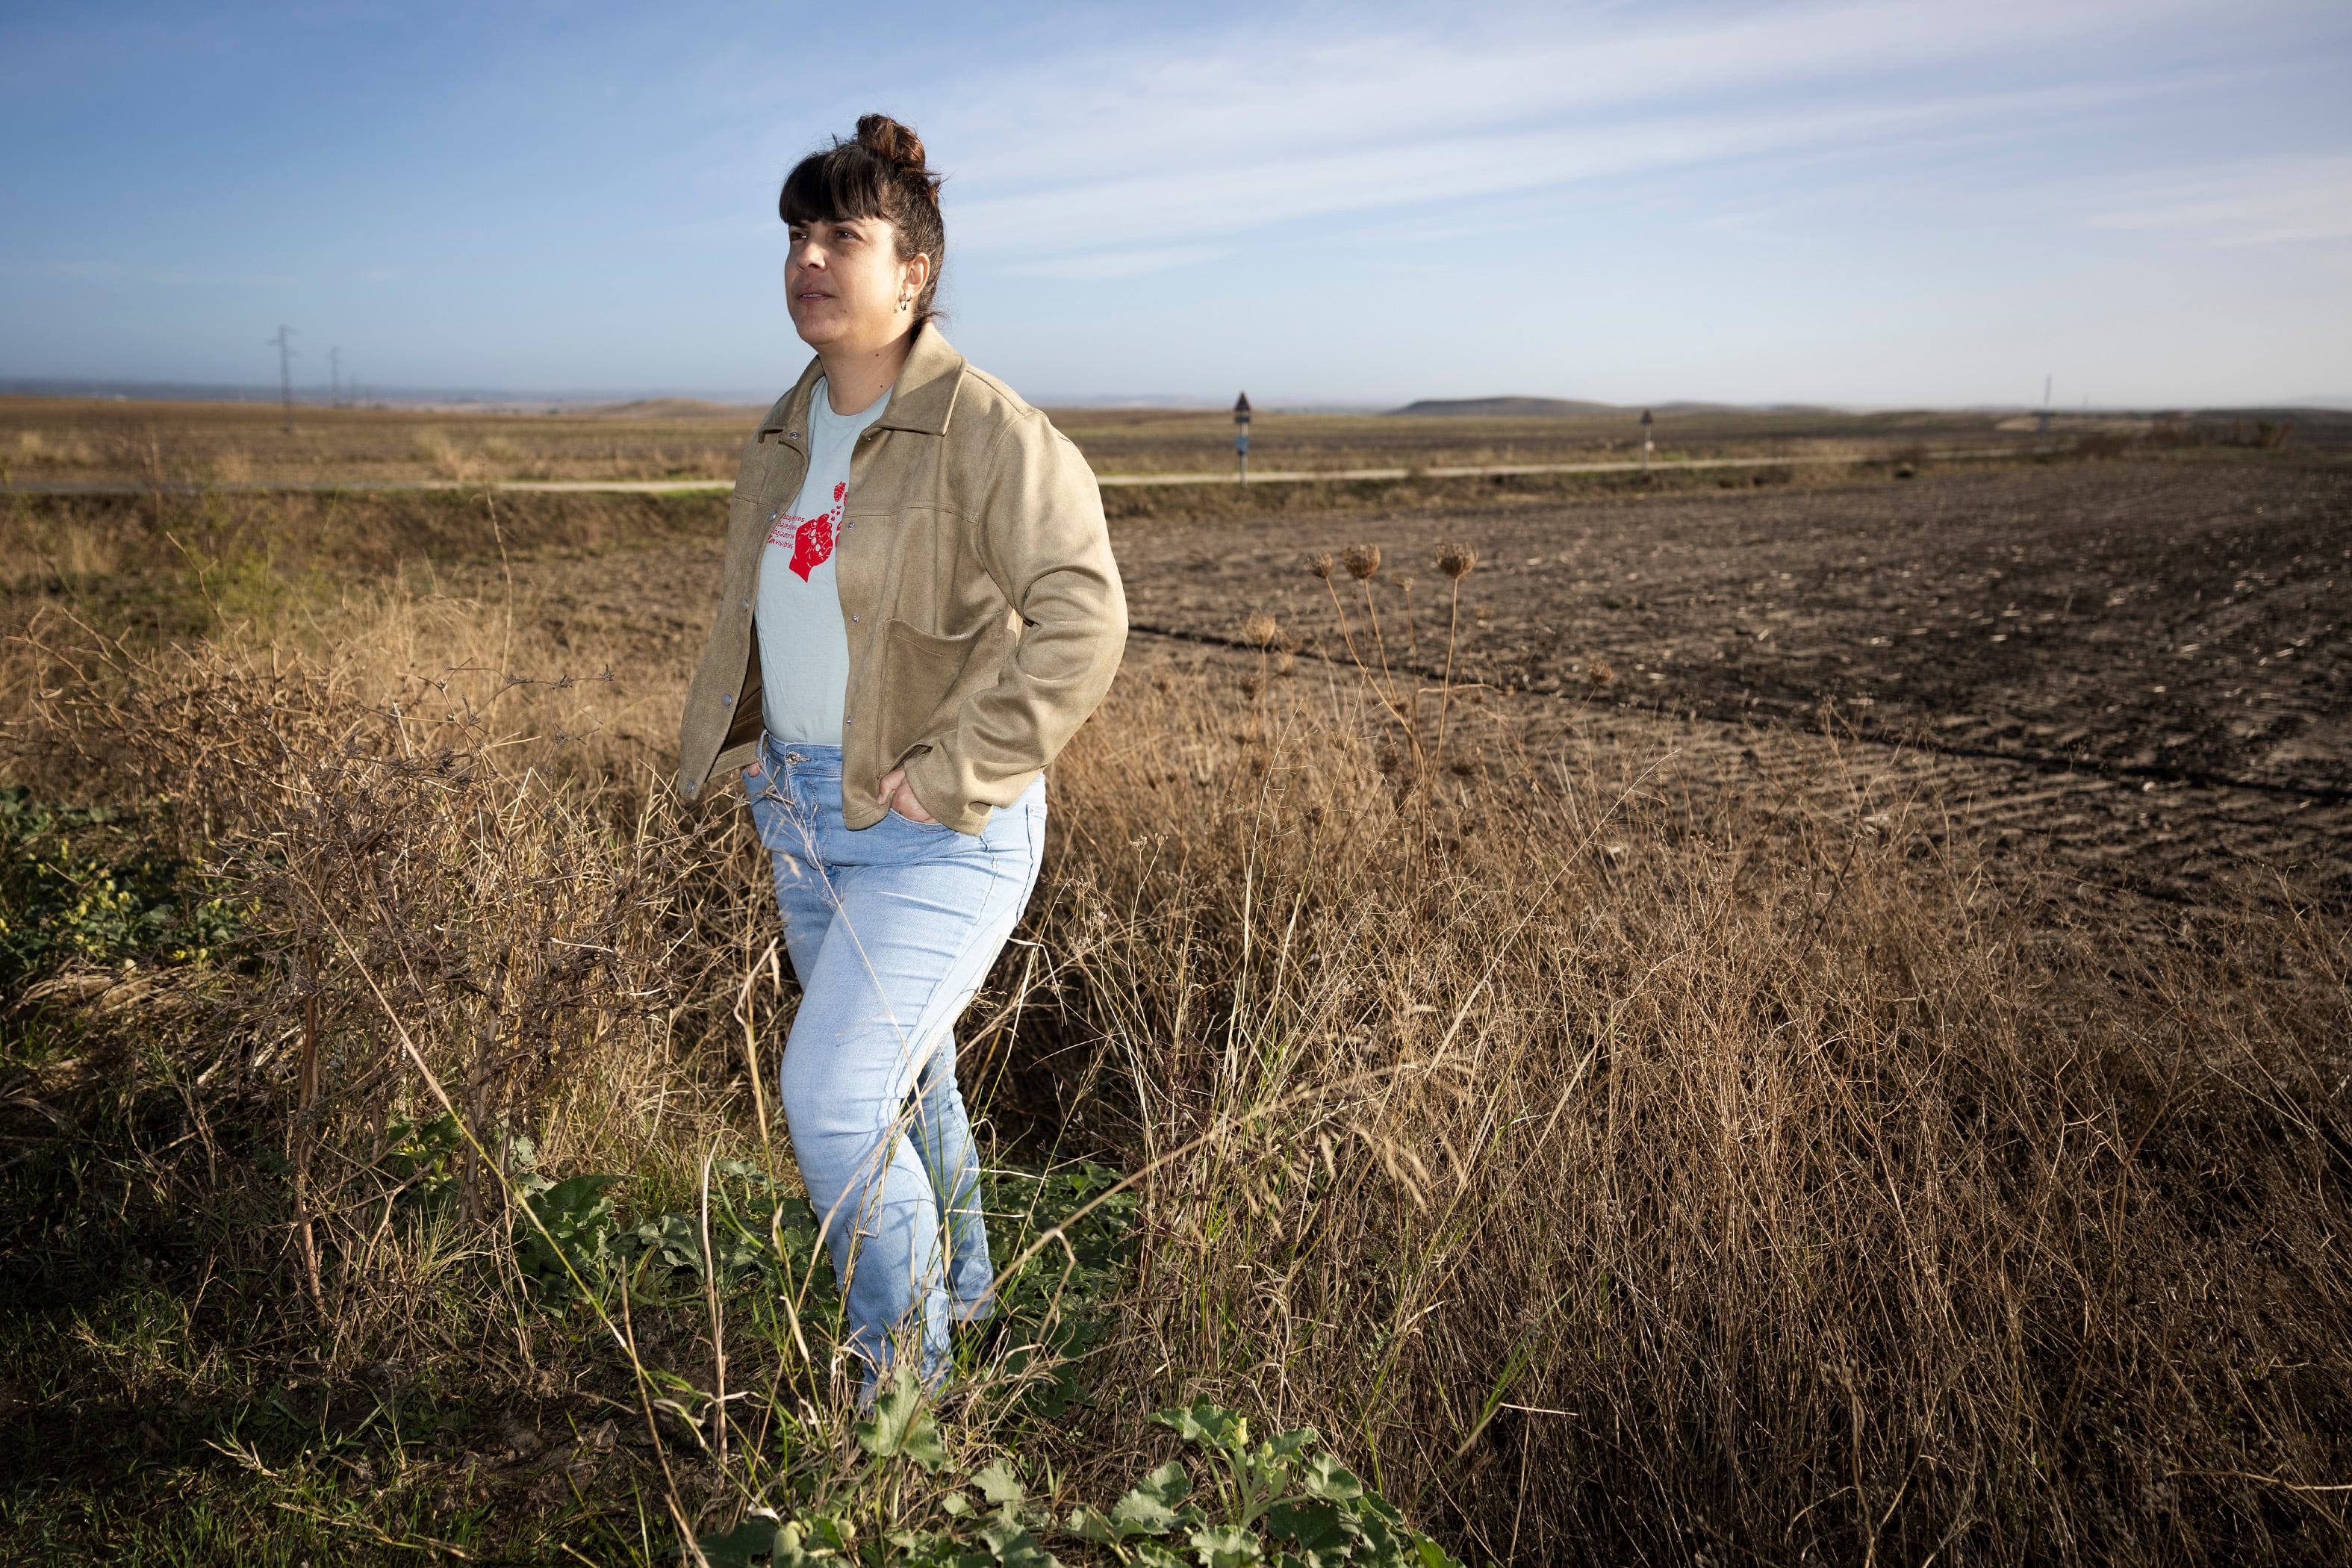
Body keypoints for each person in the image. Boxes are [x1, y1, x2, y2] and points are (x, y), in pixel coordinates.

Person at [674, 114, 1127, 1396]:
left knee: (828, 1096)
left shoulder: (988, 431)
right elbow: (772, 617)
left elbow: (1084, 621)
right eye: (795, 235)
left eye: (843, 236)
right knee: (903, 1077)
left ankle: (906, 1393)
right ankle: (967, 1291)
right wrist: (763, 753)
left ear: (913, 269)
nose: (808, 258)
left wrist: (949, 771)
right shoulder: (786, 428)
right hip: (804, 809)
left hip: (940, 823)